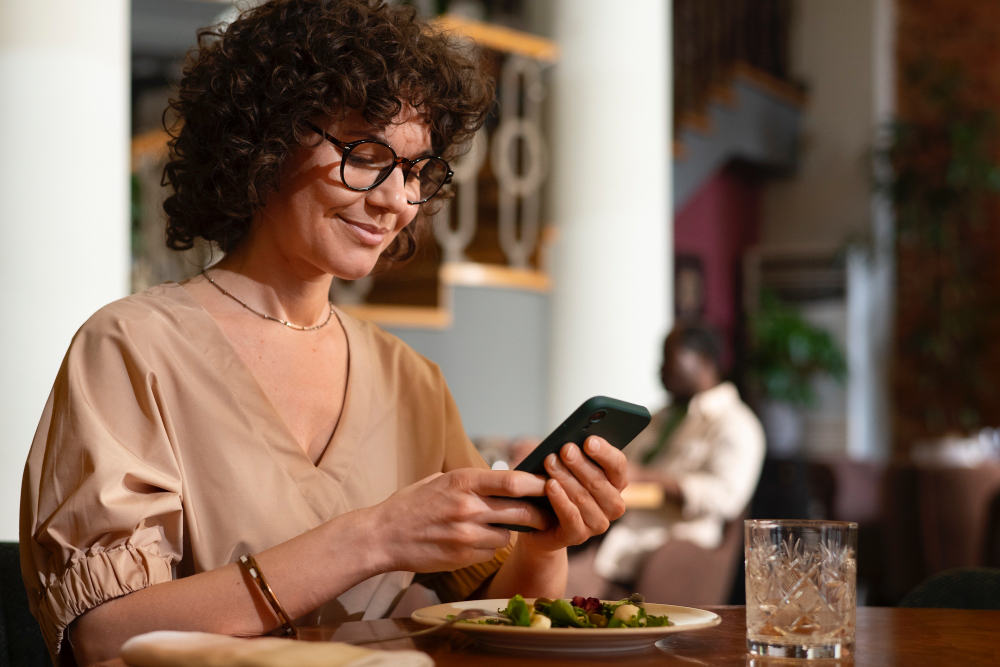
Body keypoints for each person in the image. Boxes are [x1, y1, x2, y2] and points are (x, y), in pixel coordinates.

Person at [19, 2, 628, 665]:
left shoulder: (411, 379)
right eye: (366, 155)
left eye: (415, 171)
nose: (396, 200)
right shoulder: (130, 347)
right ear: (265, 142)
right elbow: (105, 636)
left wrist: (543, 542)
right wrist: (373, 538)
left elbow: (491, 620)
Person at [591, 324, 764, 584]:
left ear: (703, 360)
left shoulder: (735, 423)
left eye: (668, 358)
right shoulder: (661, 417)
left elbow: (726, 498)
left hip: (667, 548)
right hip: (614, 532)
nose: (660, 369)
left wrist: (647, 478)